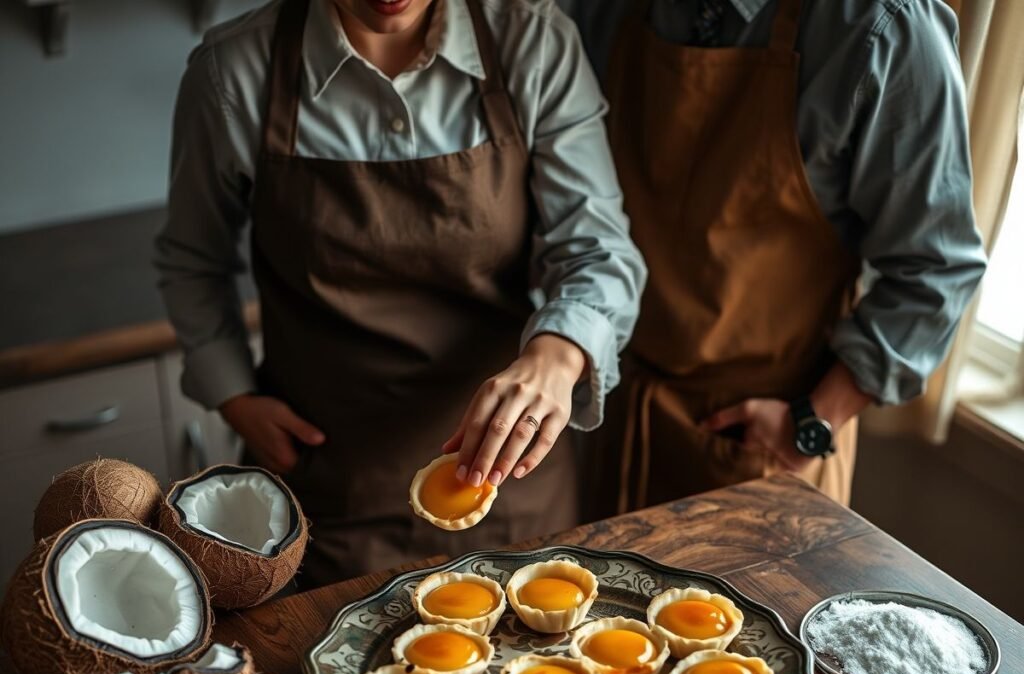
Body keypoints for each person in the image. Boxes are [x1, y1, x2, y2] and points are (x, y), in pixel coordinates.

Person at [156, 0, 645, 585]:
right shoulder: (232, 69)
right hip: (326, 491)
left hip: (509, 481)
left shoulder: (534, 42)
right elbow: (192, 259)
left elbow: (598, 249)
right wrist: (232, 392)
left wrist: (557, 357)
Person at [560, 0, 987, 513]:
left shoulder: (885, 23)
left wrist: (812, 420)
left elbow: (938, 267)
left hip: (765, 446)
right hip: (615, 425)